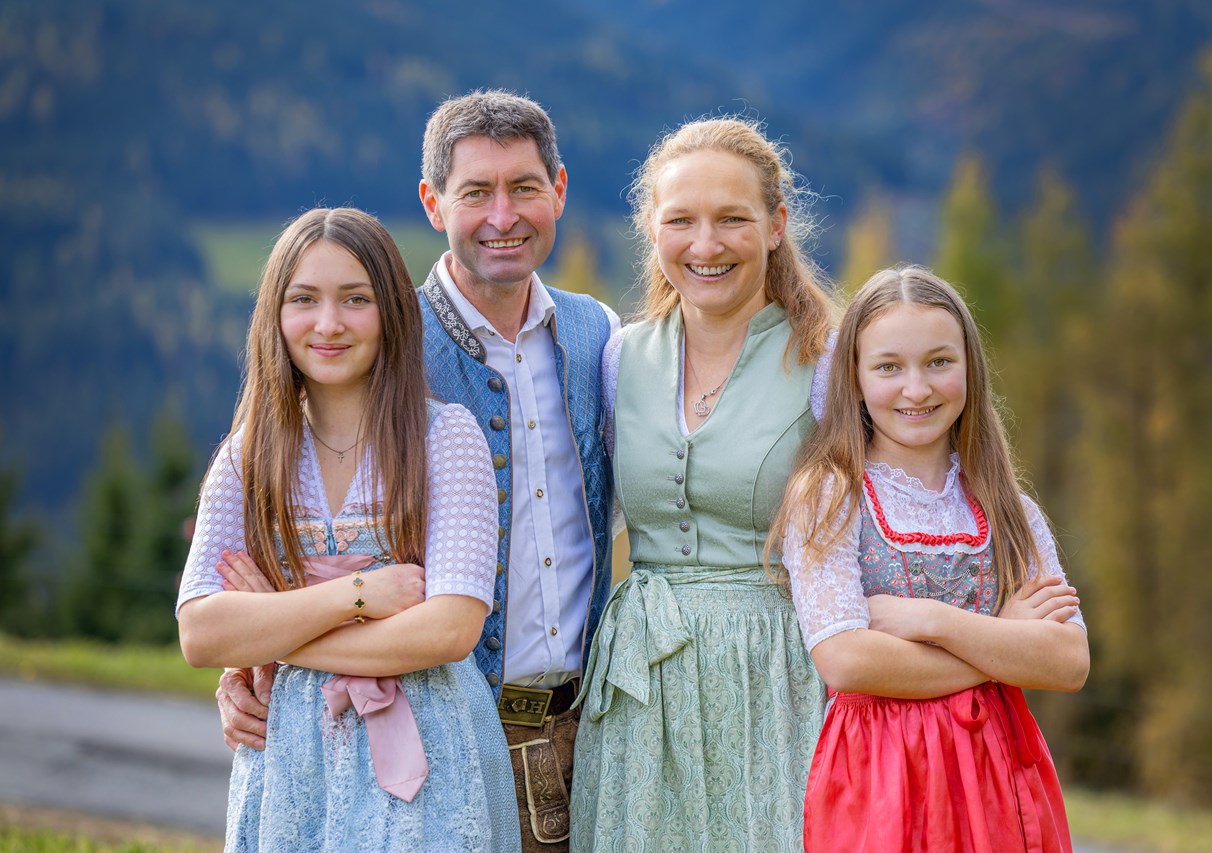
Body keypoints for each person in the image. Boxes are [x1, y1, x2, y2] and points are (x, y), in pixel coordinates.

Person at [217, 91, 617, 851]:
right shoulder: (380, 341)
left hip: (583, 727)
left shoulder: (598, 334)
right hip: (438, 725)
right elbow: (285, 491)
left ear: (558, 190)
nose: (504, 215)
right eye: (475, 192)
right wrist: (244, 662)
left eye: (525, 187)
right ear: (433, 202)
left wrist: (274, 644)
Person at [176, 207, 519, 850]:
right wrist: (353, 599)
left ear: (390, 311)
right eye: (303, 299)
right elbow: (200, 631)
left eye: (355, 299)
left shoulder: (444, 439)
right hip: (291, 757)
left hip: (430, 747)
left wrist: (274, 630)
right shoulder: (249, 456)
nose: (328, 324)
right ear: (275, 317)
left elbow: (449, 628)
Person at [569, 117, 835, 851]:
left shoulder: (829, 362)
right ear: (652, 228)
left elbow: (885, 517)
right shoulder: (619, 357)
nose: (706, 244)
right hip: (641, 676)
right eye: (681, 220)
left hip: (776, 676)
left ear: (776, 225)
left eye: (732, 219)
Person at [775, 265, 1090, 851]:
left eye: (939, 362)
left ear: (970, 368)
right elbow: (845, 660)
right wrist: (1003, 646)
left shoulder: (1007, 508)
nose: (916, 389)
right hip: (881, 776)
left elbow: (1068, 661)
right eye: (889, 367)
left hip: (999, 772)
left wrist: (934, 622)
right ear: (855, 378)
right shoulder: (830, 495)